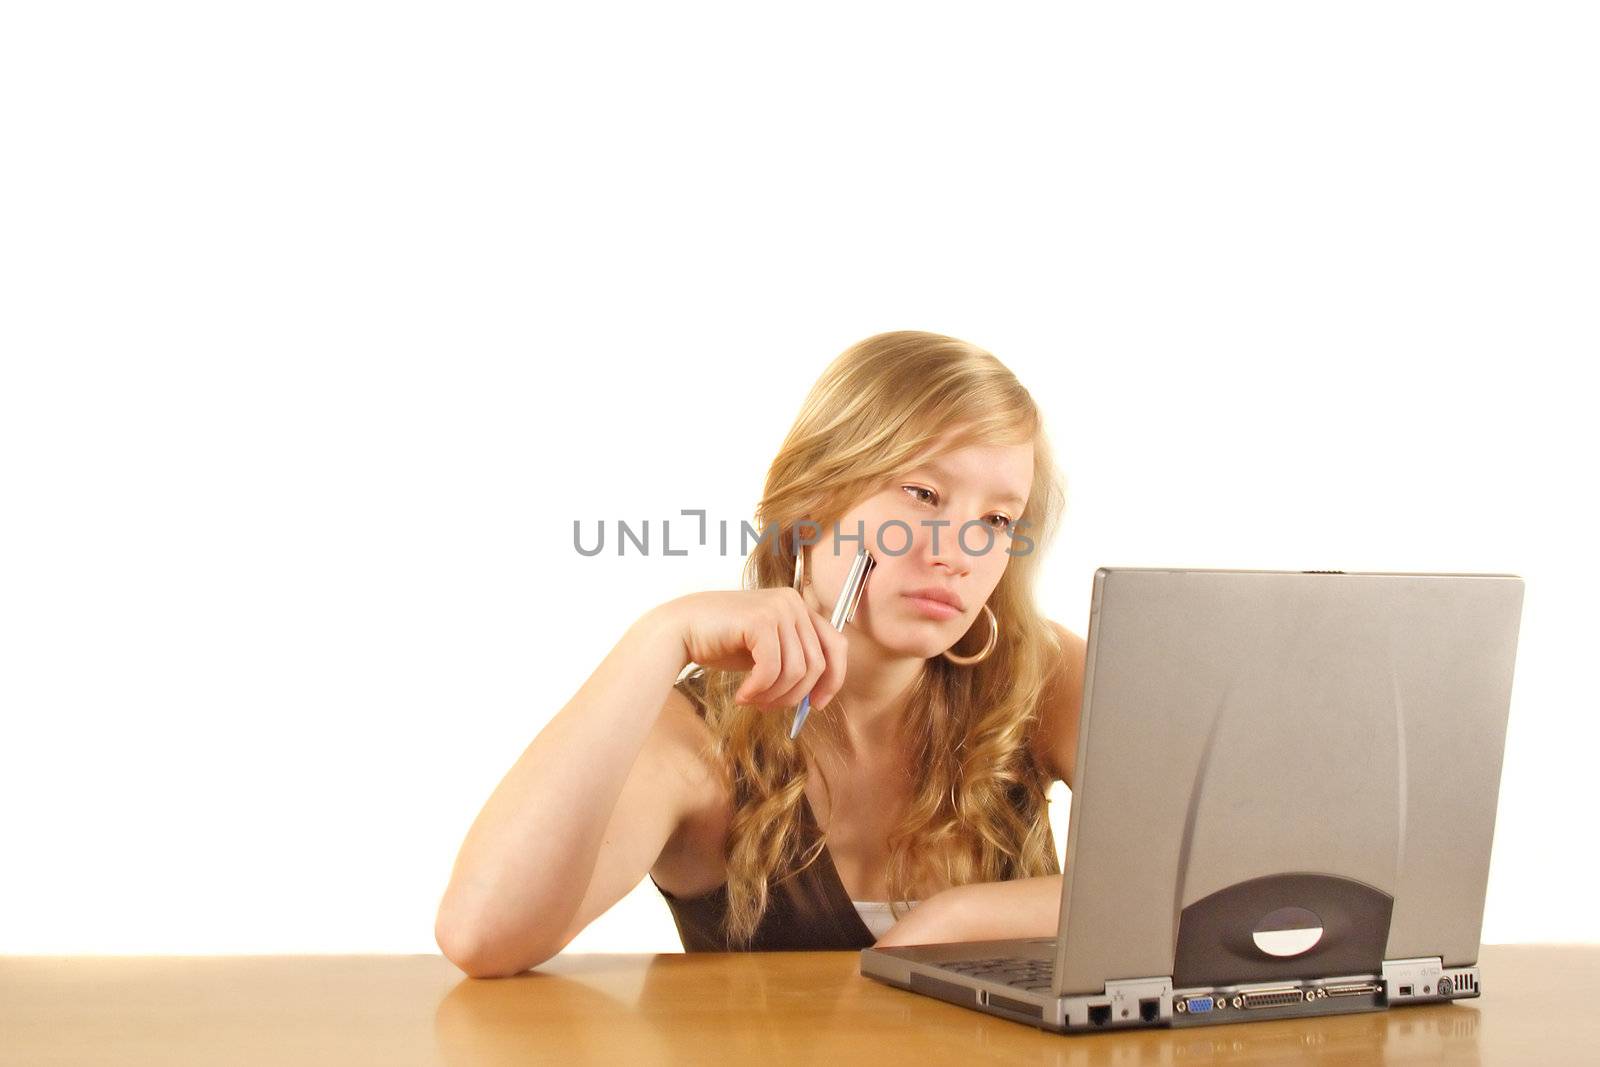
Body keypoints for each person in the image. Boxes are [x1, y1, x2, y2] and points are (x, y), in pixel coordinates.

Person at [435, 330, 1088, 977]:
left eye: (997, 520)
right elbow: (481, 933)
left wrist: (956, 921)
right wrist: (659, 635)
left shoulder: (1042, 673)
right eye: (923, 493)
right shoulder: (696, 740)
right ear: (813, 497)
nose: (960, 553)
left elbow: (1190, 887)